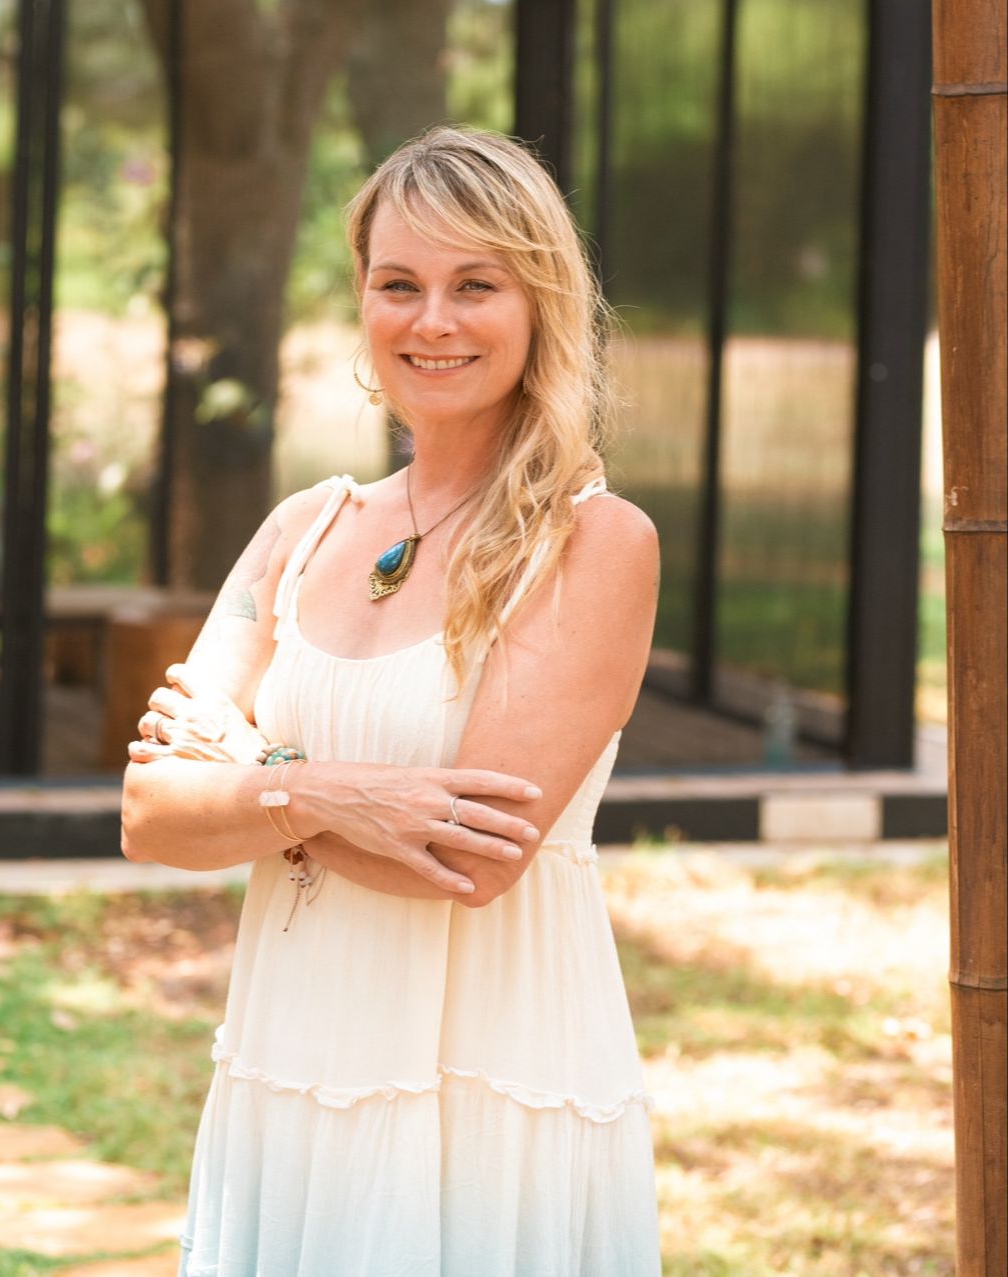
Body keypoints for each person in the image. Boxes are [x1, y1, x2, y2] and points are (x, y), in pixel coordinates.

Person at [121, 125, 662, 1276]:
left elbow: (469, 856)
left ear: (541, 302)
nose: (433, 320)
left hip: (490, 1089)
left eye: (476, 285)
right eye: (399, 284)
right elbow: (152, 812)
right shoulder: (302, 528)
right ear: (363, 301)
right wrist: (323, 791)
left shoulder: (593, 543)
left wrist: (253, 774)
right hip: (287, 1066)